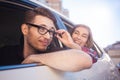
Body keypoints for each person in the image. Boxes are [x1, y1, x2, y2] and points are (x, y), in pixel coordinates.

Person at [0, 7, 92, 72]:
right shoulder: (5, 53)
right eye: (42, 29)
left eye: (51, 31)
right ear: (25, 30)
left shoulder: (53, 52)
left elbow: (86, 59)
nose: (48, 36)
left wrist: (34, 58)